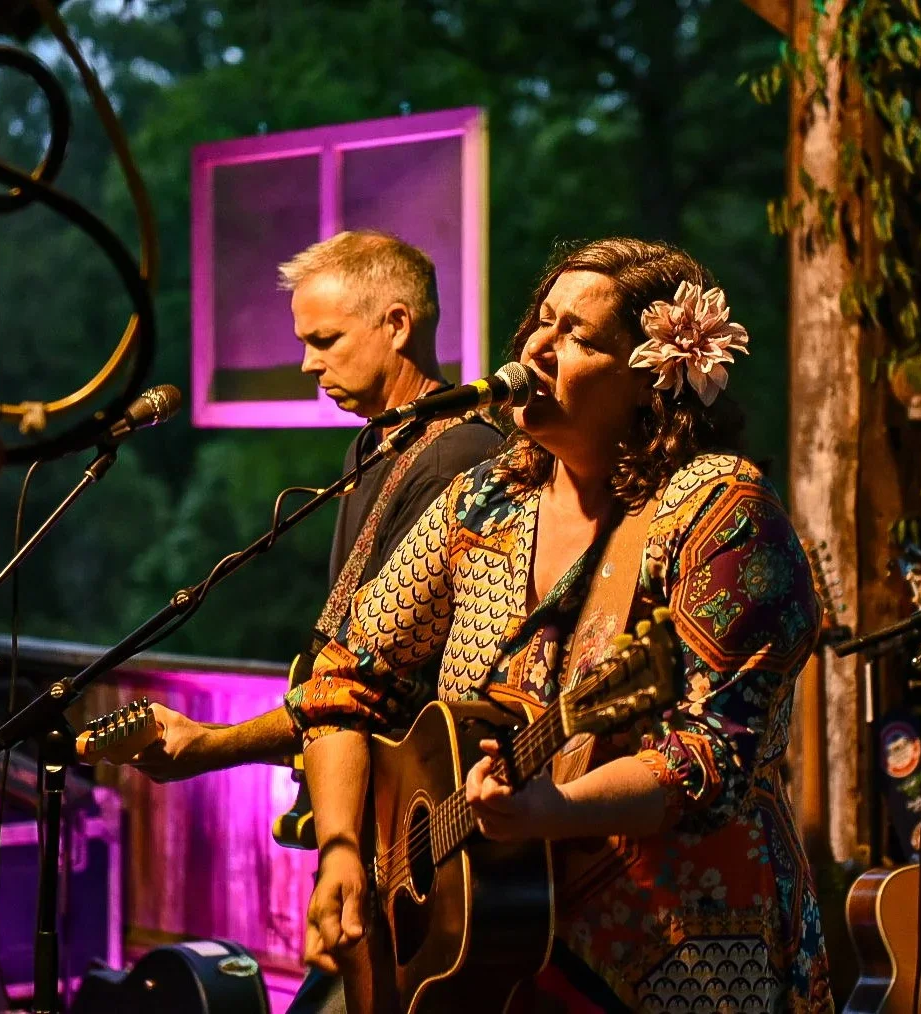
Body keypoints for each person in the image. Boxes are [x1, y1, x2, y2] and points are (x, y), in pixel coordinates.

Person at [291, 237, 834, 1012]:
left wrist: (556, 810)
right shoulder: (485, 502)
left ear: (655, 378)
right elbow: (343, 677)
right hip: (489, 960)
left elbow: (710, 755)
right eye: (541, 322)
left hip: (682, 957)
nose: (539, 347)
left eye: (578, 335)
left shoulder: (720, 513)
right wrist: (344, 851)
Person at [128, 230, 503, 1013]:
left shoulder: (454, 455)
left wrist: (214, 746)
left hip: (422, 849)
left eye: (324, 339)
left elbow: (367, 683)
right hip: (374, 832)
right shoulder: (380, 448)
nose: (307, 363)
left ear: (397, 325)